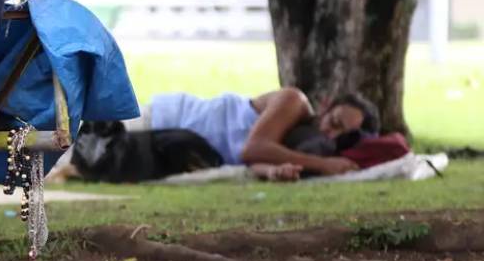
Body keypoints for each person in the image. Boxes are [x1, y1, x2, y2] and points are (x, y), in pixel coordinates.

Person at [132, 88, 379, 181]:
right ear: (325, 105)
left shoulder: (301, 147)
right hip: (166, 118)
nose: (330, 133)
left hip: (174, 146)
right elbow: (253, 149)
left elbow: (256, 162)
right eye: (333, 122)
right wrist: (325, 165)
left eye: (341, 135)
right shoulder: (294, 102)